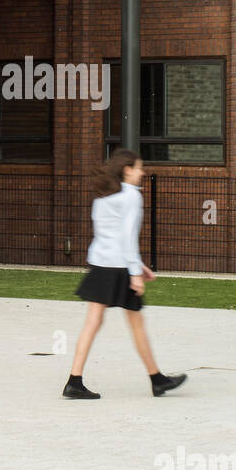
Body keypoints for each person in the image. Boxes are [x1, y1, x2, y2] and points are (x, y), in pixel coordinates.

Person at [63, 148, 187, 400]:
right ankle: (156, 379)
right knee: (137, 324)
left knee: (93, 323)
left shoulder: (103, 196)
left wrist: (137, 266)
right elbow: (128, 237)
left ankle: (74, 381)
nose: (142, 173)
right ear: (127, 170)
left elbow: (109, 236)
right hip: (119, 268)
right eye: (139, 168)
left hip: (100, 265)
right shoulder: (131, 196)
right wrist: (134, 274)